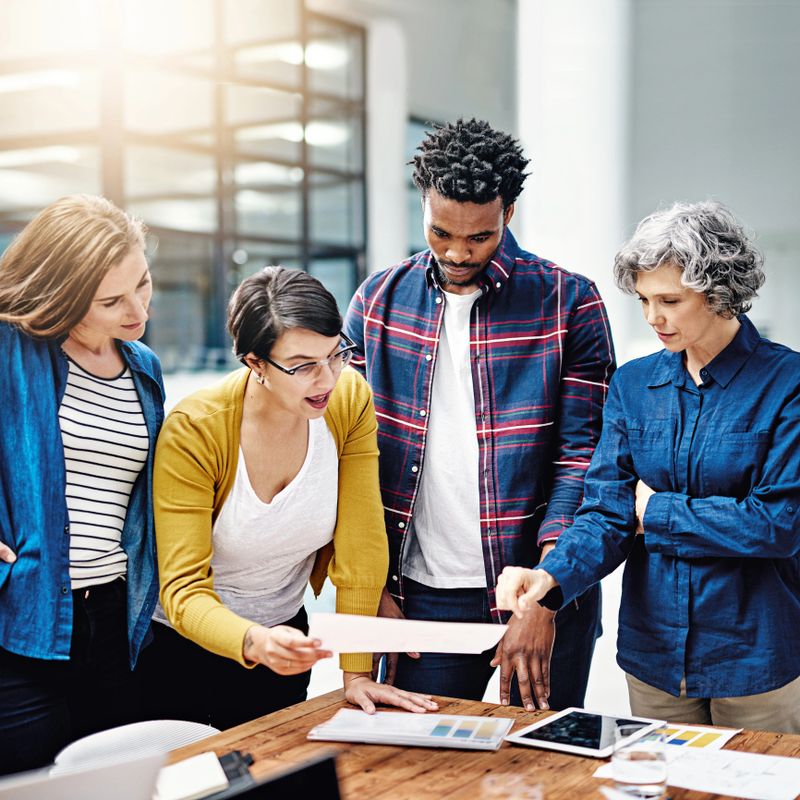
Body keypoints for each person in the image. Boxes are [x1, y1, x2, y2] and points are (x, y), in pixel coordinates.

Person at [495, 200, 800, 733]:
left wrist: (655, 511)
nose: (652, 317)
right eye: (643, 300)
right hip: (654, 656)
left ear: (719, 291)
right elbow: (607, 515)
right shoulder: (634, 386)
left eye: (670, 300)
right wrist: (549, 577)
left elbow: (777, 523)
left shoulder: (787, 384)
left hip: (757, 657)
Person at [343, 119, 616, 711]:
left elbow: (582, 460)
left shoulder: (569, 302)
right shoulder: (376, 302)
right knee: (423, 769)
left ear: (508, 214)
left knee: (538, 769)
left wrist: (545, 594)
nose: (458, 252)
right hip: (423, 594)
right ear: (422, 205)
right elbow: (349, 460)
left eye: (480, 237)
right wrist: (373, 588)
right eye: (441, 233)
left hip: (537, 586)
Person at [140, 267, 437, 731]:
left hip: (284, 640)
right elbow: (182, 589)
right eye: (302, 365)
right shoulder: (196, 429)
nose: (326, 379)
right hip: (180, 649)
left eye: (335, 354)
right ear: (254, 362)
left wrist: (355, 674)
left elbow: (361, 549)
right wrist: (255, 642)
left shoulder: (346, 399)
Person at [0, 195, 164, 774]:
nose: (137, 310)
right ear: (64, 294)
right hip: (23, 622)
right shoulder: (10, 349)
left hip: (113, 622)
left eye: (142, 284)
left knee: (110, 783)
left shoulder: (144, 367)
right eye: (112, 301)